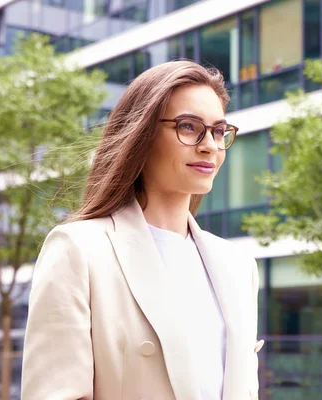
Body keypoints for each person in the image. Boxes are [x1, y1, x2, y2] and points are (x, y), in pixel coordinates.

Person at [20, 61, 263, 400]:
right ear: (142, 134)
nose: (210, 145)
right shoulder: (80, 250)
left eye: (219, 131)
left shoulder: (238, 266)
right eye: (189, 126)